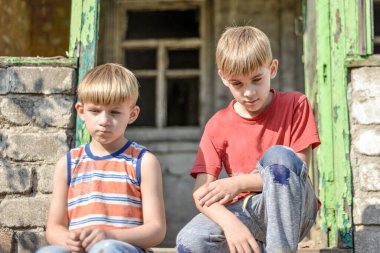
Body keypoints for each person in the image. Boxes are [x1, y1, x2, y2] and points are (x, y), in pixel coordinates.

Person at [176, 26, 320, 253]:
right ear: (223, 77)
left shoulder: (296, 105)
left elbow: (295, 172)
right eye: (237, 84)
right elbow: (201, 192)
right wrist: (230, 224)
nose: (249, 92)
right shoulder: (217, 124)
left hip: (295, 208)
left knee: (279, 156)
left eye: (256, 79)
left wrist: (237, 183)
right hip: (248, 210)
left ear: (272, 68)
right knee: (191, 240)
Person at [37, 63, 166, 253]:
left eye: (114, 112)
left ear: (132, 114)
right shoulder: (68, 164)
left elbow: (156, 230)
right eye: (95, 111)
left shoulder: (143, 162)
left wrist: (110, 236)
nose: (104, 121)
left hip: (122, 248)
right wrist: (70, 240)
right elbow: (54, 228)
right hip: (79, 250)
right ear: (81, 111)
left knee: (107, 249)